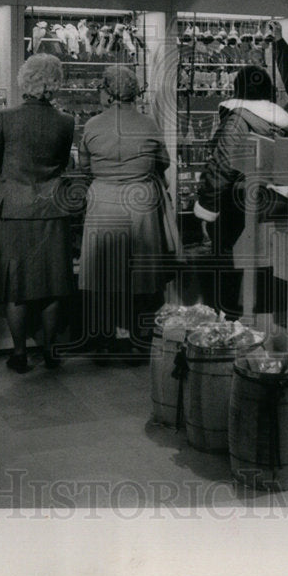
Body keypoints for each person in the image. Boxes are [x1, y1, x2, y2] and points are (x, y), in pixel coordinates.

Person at [0, 54, 76, 373]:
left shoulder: (5, 117)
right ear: (55, 82)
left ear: (25, 79)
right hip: (53, 208)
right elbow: (63, 164)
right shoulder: (66, 121)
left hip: (15, 211)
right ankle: (50, 351)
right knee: (54, 283)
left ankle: (19, 352)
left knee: (16, 285)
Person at [78, 66, 172, 360]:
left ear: (107, 92)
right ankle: (137, 338)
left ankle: (104, 339)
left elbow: (83, 167)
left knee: (103, 275)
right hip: (139, 204)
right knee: (140, 279)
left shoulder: (93, 126)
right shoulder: (149, 125)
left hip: (103, 201)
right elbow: (164, 162)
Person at [194, 64, 288, 319]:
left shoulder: (238, 120)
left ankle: (228, 331)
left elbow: (221, 167)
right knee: (265, 276)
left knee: (229, 276)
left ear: (238, 89)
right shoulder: (282, 125)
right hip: (273, 208)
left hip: (236, 209)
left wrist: (207, 210)